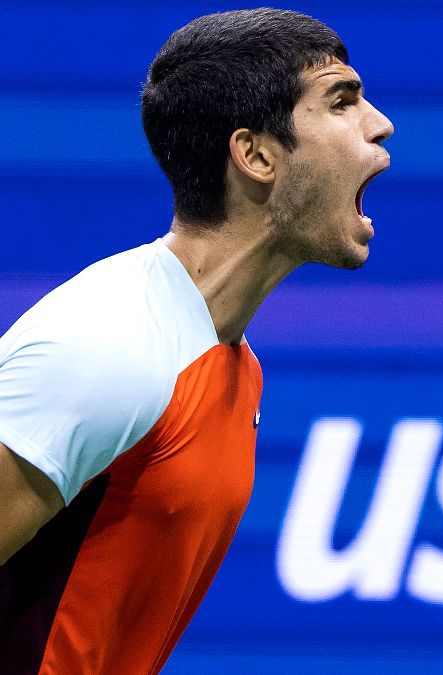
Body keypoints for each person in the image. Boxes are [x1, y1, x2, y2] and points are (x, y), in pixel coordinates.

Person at [0, 8, 393, 673]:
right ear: (257, 155)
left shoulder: (234, 366)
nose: (378, 123)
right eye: (342, 101)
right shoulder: (107, 345)